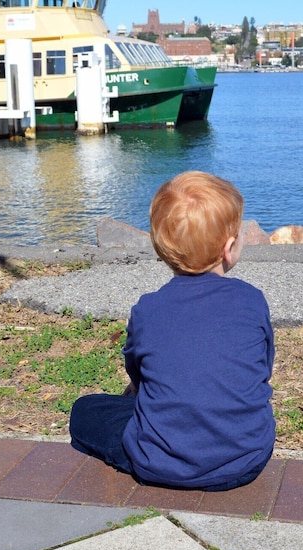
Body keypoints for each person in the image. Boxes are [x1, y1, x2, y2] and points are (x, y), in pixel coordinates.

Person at [69, 171, 275, 492]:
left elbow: (138, 380)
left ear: (163, 249)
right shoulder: (252, 300)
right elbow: (262, 368)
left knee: (85, 411)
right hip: (247, 459)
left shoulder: (147, 310)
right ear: (229, 247)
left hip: (161, 463)